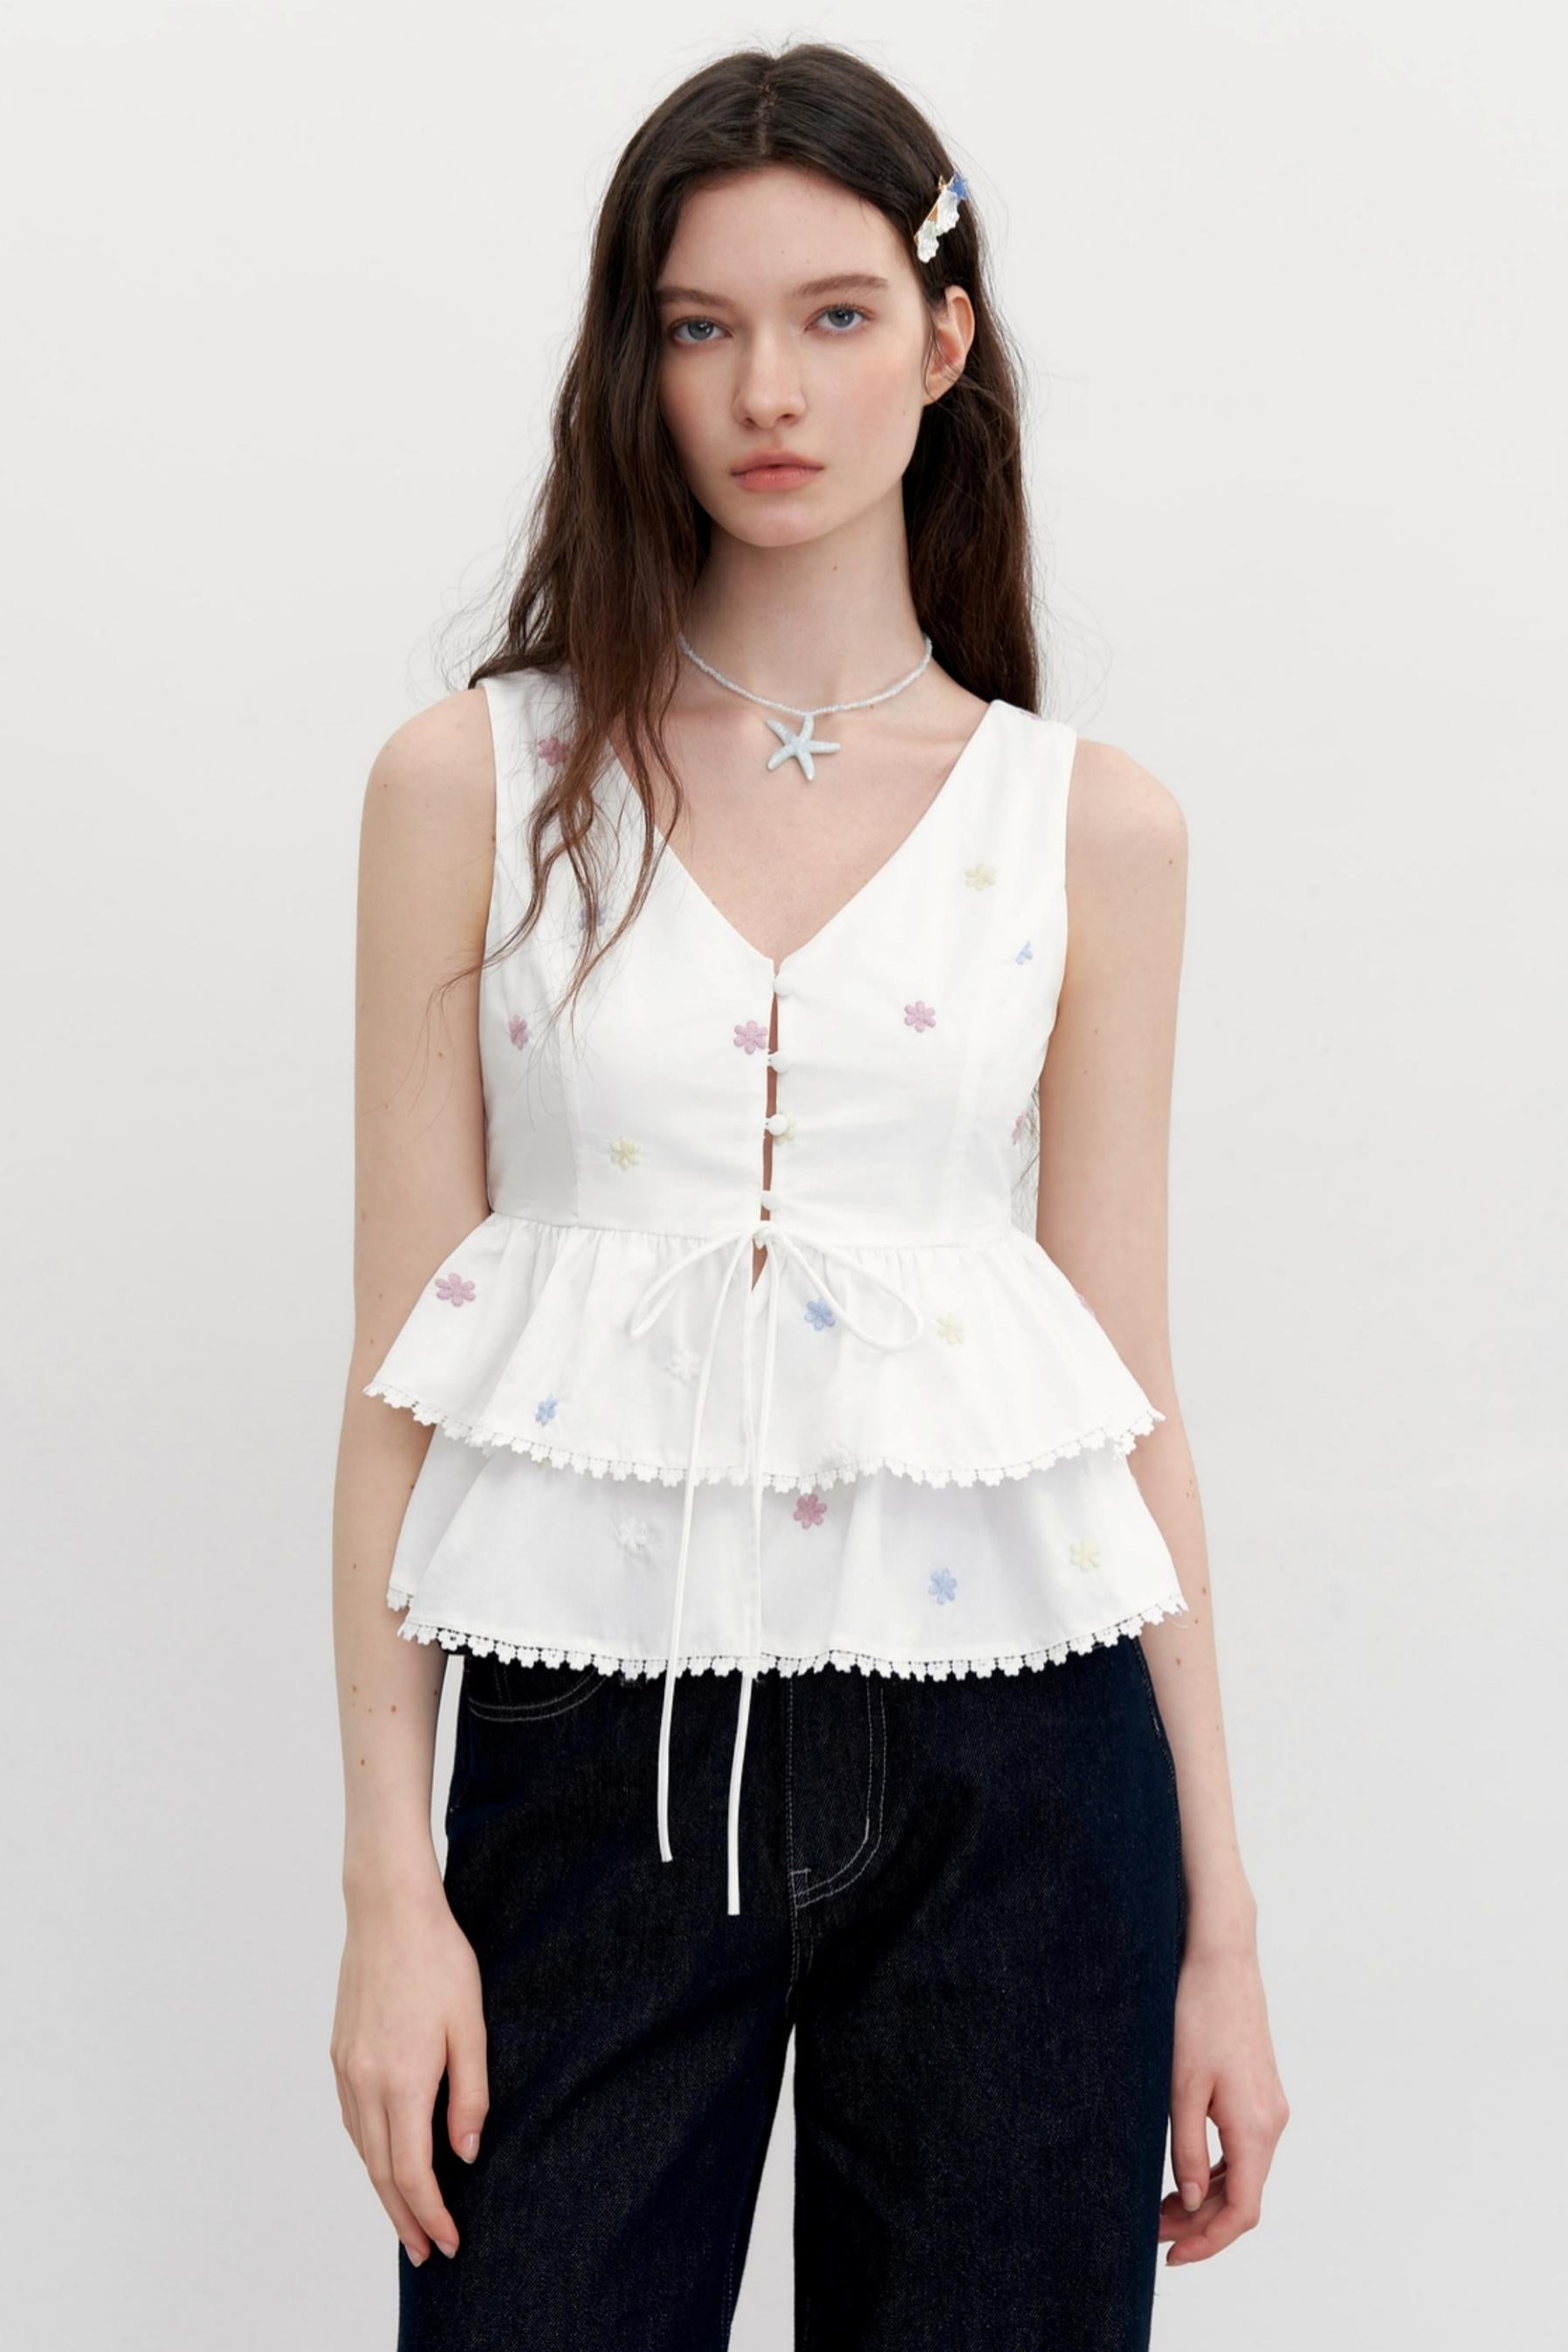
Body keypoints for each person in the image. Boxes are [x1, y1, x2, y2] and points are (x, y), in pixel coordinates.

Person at [330, 39, 1289, 2350]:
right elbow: (394, 1385)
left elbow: (1125, 1392)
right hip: (588, 1752)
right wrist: (385, 1888)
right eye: (702, 324)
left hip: (1016, 1763)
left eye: (835, 314)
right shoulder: (477, 783)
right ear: (636, 362)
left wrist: (1223, 1929)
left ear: (943, 342)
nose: (768, 387)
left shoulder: (1091, 828)